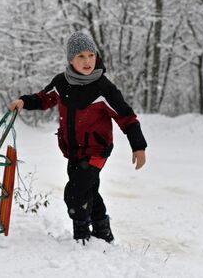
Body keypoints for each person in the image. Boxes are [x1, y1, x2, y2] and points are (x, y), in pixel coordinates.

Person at [8, 31, 147, 244]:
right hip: (72, 149)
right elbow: (44, 99)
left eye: (91, 55)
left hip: (96, 150)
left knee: (74, 194)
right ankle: (103, 232)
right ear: (71, 59)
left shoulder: (103, 88)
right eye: (80, 56)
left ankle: (81, 236)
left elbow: (126, 117)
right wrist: (24, 102)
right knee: (90, 189)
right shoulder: (62, 83)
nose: (87, 61)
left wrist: (138, 146)